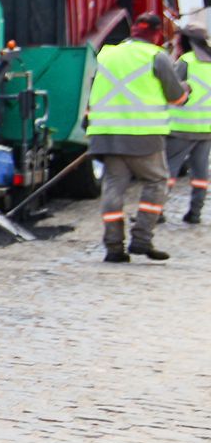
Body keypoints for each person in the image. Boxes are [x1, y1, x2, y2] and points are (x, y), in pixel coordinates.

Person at [87, 13, 189, 262]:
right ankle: (142, 239)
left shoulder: (105, 54)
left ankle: (113, 247)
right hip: (143, 135)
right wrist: (185, 89)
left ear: (133, 30)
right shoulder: (156, 56)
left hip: (106, 133)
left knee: (113, 188)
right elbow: (176, 98)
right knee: (156, 183)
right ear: (156, 33)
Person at [165, 20, 211, 224]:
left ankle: (154, 212)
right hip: (207, 128)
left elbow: (171, 88)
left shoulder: (186, 61)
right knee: (200, 172)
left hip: (182, 127)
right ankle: (195, 213)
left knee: (168, 172)